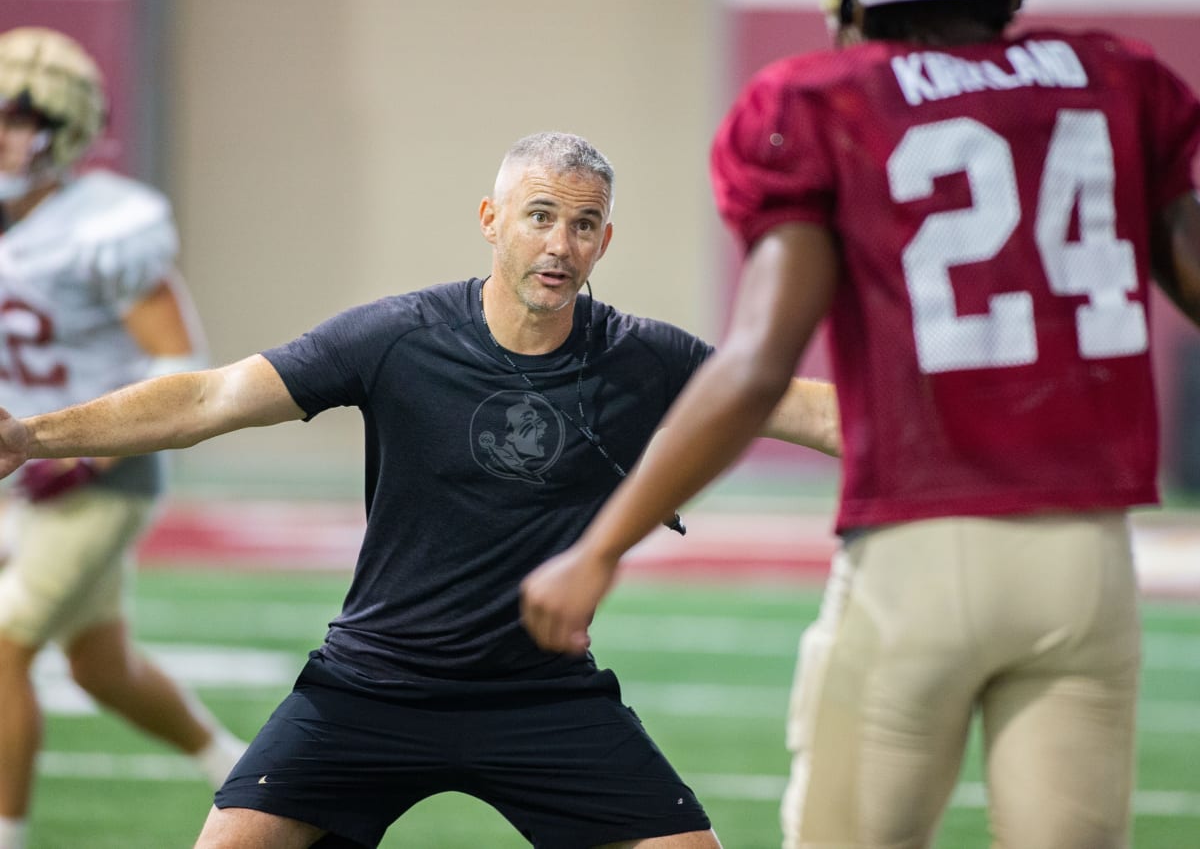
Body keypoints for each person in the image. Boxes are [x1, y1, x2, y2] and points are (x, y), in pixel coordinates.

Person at [519, 0, 1200, 849]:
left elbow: (758, 362)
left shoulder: (822, 101)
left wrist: (602, 545)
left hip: (921, 551)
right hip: (1093, 562)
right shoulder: (1116, 79)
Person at [0, 130, 840, 849]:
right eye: (540, 217)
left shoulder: (642, 357)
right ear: (492, 221)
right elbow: (209, 397)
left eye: (583, 226)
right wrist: (33, 435)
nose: (559, 245)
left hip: (543, 695)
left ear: (604, 243)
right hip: (371, 686)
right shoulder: (396, 336)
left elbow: (812, 412)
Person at [0, 27, 248, 849]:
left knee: (3, 649)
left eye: (12, 118)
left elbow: (180, 360)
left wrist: (83, 452)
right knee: (97, 665)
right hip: (22, 469)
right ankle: (237, 767)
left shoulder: (105, 226)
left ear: (58, 131)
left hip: (97, 476)